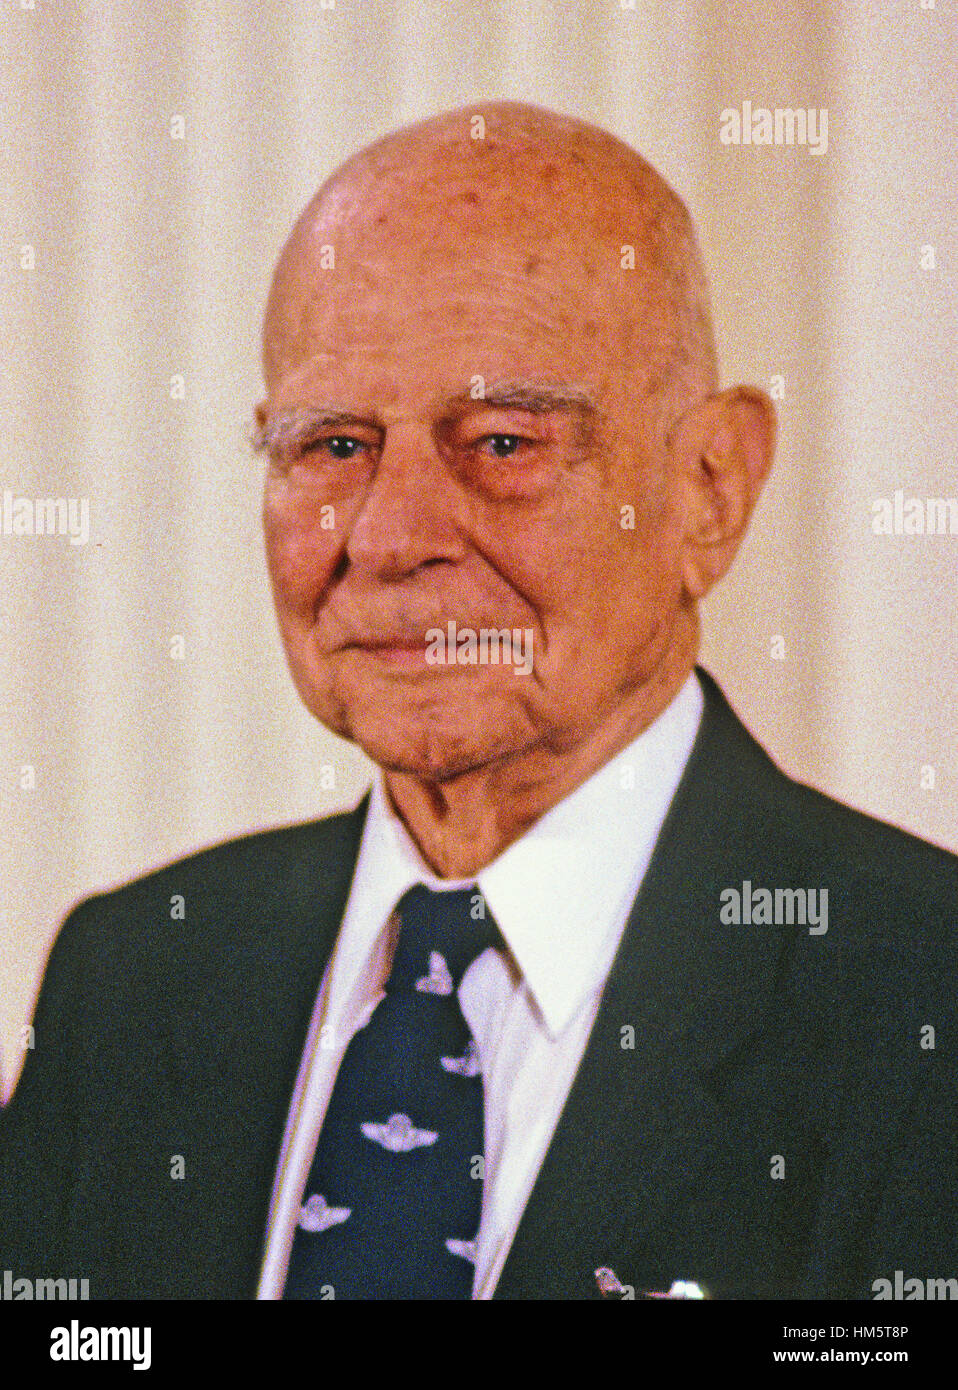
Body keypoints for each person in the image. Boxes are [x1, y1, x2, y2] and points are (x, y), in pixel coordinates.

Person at [1, 101, 954, 1301]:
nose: (391, 537)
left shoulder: (923, 1008)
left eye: (502, 443)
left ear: (709, 489)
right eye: (334, 446)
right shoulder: (131, 980)